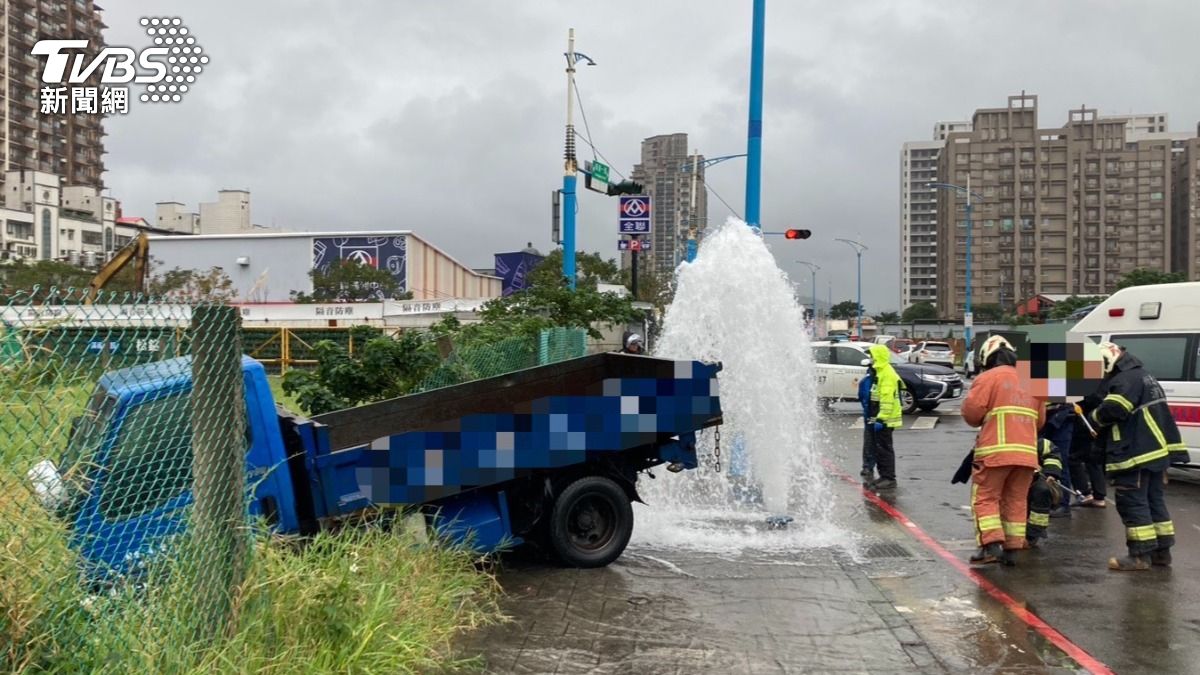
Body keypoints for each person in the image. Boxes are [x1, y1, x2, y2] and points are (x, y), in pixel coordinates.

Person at [1081, 342, 1187, 571]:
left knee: (1132, 501)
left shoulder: (1124, 380)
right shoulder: (1144, 376)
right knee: (1153, 500)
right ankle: (1161, 553)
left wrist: (1093, 417)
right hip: (1155, 453)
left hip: (1136, 452)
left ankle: (1139, 556)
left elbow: (1114, 410)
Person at [961, 335, 1044, 566]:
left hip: (994, 452)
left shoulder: (987, 378)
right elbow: (1040, 421)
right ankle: (1012, 549)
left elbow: (972, 414)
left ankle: (990, 546)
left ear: (986, 358)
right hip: (1026, 454)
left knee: (985, 497)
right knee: (1016, 499)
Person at [865, 344, 902, 490]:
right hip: (880, 417)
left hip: (885, 419)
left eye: (872, 356)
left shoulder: (887, 374)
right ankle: (883, 476)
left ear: (878, 357)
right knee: (880, 449)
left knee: (885, 449)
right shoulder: (880, 372)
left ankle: (889, 478)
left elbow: (887, 399)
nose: (871, 359)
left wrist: (881, 418)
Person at [1027, 436, 1064, 547]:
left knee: (1042, 490)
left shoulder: (1041, 442)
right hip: (1013, 480)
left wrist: (1051, 473)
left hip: (1036, 481)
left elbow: (1053, 456)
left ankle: (1034, 533)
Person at [857, 365, 877, 482]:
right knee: (872, 442)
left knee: (871, 442)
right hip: (873, 416)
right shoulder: (867, 380)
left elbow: (862, 397)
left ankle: (869, 467)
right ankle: (869, 466)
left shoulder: (866, 380)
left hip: (875, 416)